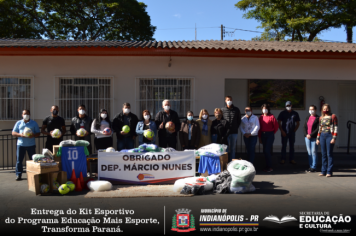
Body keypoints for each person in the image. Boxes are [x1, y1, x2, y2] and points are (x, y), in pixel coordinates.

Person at [12, 109, 40, 180]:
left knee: (33, 160)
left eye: (27, 114)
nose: (26, 115)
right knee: (19, 161)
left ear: (29, 115)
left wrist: (33, 135)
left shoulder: (34, 123)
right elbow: (13, 133)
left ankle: (34, 174)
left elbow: (38, 133)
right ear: (22, 115)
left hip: (31, 145)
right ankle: (18, 174)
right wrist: (20, 135)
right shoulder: (18, 123)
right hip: (21, 145)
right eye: (24, 114)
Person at [316, 104, 338, 177]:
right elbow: (319, 129)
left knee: (329, 154)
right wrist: (317, 138)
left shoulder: (333, 116)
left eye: (327, 108)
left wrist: (334, 138)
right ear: (322, 110)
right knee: (323, 154)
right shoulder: (321, 118)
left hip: (329, 135)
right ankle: (323, 171)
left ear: (329, 109)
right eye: (324, 109)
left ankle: (329, 171)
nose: (326, 110)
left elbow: (335, 127)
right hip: (322, 135)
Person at [258, 104, 279, 172]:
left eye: (266, 108)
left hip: (270, 135)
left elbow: (276, 126)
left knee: (267, 150)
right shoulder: (261, 117)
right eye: (263, 108)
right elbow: (259, 128)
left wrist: (272, 133)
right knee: (265, 151)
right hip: (263, 135)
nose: (265, 110)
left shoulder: (272, 116)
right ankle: (267, 166)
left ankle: (269, 167)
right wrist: (260, 137)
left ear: (268, 109)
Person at [221, 96, 241, 162]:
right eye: (228, 100)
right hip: (226, 132)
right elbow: (221, 120)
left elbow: (239, 120)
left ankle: (232, 163)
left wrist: (235, 127)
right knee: (225, 148)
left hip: (234, 132)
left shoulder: (236, 109)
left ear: (232, 100)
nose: (229, 101)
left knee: (232, 148)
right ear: (225, 101)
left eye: (230, 100)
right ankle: (225, 163)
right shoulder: (223, 110)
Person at [303, 105, 320, 173]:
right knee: (309, 152)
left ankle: (314, 167)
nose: (311, 111)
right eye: (310, 109)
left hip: (314, 137)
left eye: (312, 109)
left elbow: (318, 128)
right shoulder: (308, 117)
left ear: (315, 110)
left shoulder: (318, 118)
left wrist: (311, 135)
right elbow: (304, 127)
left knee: (314, 152)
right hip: (307, 137)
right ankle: (310, 166)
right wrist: (306, 134)